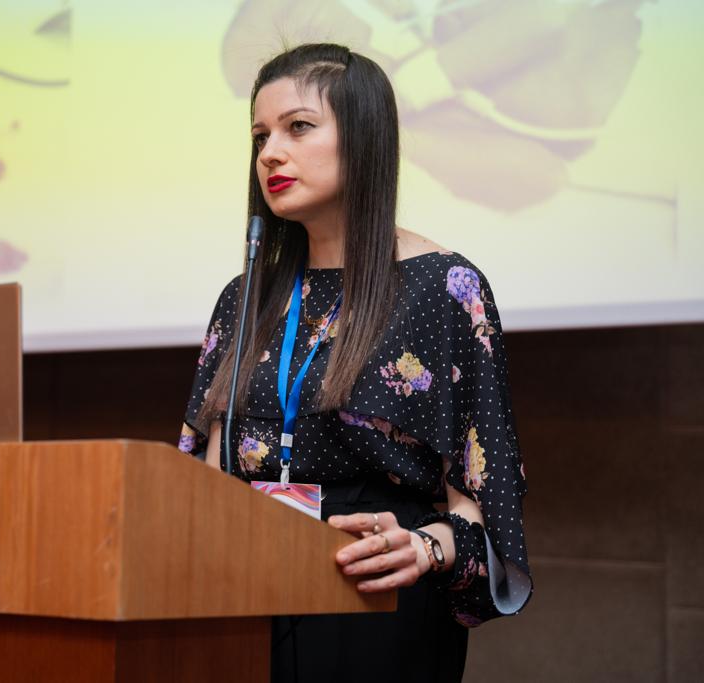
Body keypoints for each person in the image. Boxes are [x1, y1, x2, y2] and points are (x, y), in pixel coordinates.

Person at [178, 43, 531, 682]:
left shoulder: (442, 287)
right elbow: (204, 474)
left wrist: (424, 548)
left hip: (374, 591)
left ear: (365, 138)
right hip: (243, 592)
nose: (270, 153)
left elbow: (482, 504)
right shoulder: (245, 296)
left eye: (298, 127)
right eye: (260, 136)